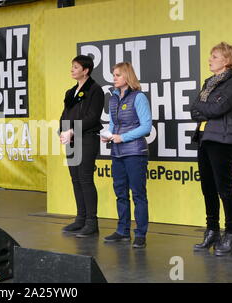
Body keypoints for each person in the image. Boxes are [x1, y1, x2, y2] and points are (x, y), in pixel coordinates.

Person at [190, 42, 232, 256]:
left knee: (225, 189)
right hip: (204, 138)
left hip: (223, 141)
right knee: (208, 189)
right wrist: (205, 109)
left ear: (227, 61)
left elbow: (217, 108)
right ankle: (212, 230)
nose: (210, 59)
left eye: (214, 56)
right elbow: (194, 110)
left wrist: (202, 107)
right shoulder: (209, 83)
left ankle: (230, 235)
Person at [102, 62, 152, 248]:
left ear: (127, 77)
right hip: (117, 153)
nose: (114, 78)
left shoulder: (139, 97)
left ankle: (140, 234)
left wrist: (122, 138)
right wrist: (108, 136)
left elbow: (146, 127)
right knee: (120, 193)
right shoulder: (113, 98)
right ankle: (122, 231)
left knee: (138, 194)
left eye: (117, 75)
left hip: (135, 153)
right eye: (113, 75)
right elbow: (113, 125)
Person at [59, 55, 104, 238]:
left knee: (85, 179)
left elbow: (93, 117)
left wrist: (73, 131)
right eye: (72, 67)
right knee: (75, 179)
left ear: (86, 70)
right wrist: (62, 131)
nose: (72, 70)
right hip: (71, 139)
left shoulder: (95, 90)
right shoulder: (71, 92)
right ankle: (81, 218)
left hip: (87, 138)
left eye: (76, 67)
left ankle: (92, 223)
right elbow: (65, 114)